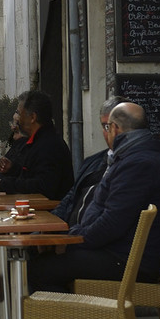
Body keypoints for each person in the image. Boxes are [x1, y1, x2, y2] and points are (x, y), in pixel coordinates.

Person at [28, 101, 160, 319]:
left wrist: (73, 243)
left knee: (38, 270)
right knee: (39, 260)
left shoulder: (138, 163)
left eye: (107, 127)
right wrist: (71, 238)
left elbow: (112, 222)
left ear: (116, 128)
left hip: (130, 261)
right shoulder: (135, 156)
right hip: (119, 252)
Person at [0, 89, 74, 201]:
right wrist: (12, 169)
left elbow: (43, 186)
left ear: (32, 117)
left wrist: (3, 184)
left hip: (47, 214)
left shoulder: (49, 146)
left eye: (19, 113)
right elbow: (29, 177)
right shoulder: (35, 143)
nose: (17, 120)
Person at [52, 96, 123, 224]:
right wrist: (49, 226)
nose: (112, 133)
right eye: (106, 127)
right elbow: (70, 198)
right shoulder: (92, 162)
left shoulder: (132, 165)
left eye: (115, 126)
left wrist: (75, 237)